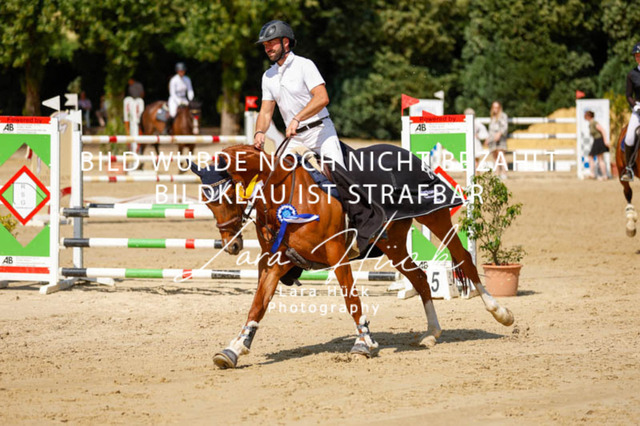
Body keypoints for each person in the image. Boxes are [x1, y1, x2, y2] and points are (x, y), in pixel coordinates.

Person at [252, 20, 345, 168]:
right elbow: (265, 112)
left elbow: (322, 98)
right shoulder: (268, 76)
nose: (267, 48)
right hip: (294, 138)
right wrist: (259, 132)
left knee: (338, 173)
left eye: (271, 43)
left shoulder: (304, 65)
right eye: (265, 45)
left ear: (285, 42)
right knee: (276, 174)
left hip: (320, 133)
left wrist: (297, 119)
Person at [621, 42, 640, 182]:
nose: (638, 57)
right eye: (637, 55)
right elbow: (628, 95)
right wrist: (635, 106)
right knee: (629, 137)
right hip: (639, 110)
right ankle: (628, 169)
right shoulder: (631, 74)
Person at [167, 62, 194, 134]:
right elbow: (172, 93)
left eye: (183, 71)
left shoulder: (187, 79)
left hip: (184, 98)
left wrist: (190, 98)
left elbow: (190, 90)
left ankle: (193, 129)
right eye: (180, 71)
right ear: (177, 71)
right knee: (172, 113)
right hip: (174, 99)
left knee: (192, 112)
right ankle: (168, 129)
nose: (181, 72)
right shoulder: (173, 80)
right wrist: (178, 102)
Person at [584, 110, 610, 181]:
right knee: (593, 157)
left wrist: (605, 141)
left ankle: (603, 175)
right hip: (596, 141)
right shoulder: (591, 123)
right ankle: (595, 174)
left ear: (589, 116)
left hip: (599, 141)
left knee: (599, 158)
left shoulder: (594, 123)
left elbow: (603, 130)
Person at [487, 101, 508, 179]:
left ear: (500, 108)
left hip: (500, 139)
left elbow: (504, 127)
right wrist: (489, 138)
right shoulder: (492, 117)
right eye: (494, 107)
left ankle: (504, 173)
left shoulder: (503, 116)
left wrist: (499, 134)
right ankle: (497, 173)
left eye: (497, 107)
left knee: (501, 156)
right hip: (493, 140)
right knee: (495, 157)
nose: (495, 109)